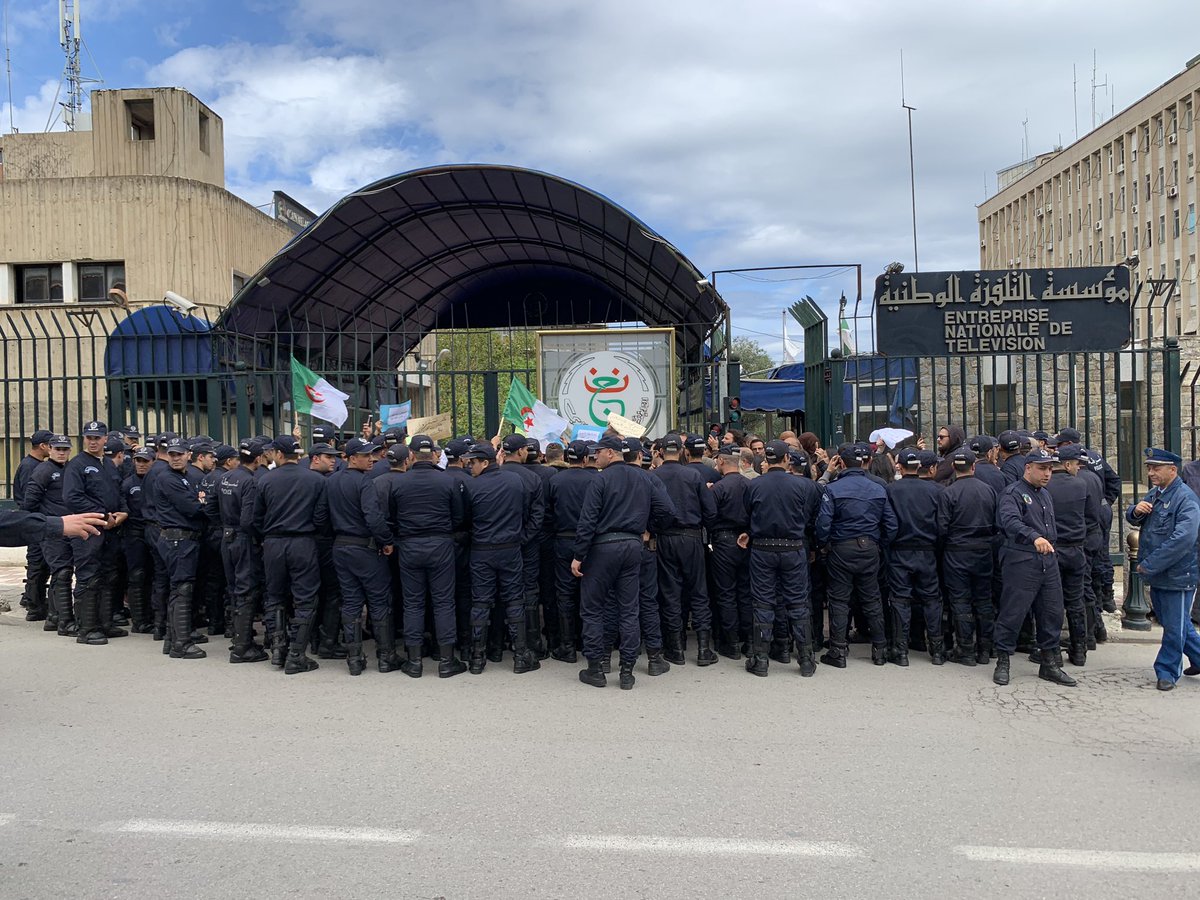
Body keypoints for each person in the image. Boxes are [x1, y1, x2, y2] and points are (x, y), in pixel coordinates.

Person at [572, 435, 677, 689]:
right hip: (633, 545)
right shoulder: (645, 477)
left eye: (599, 452)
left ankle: (596, 667)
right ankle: (627, 671)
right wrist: (649, 529)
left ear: (610, 453)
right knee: (630, 608)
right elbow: (667, 510)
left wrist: (578, 555)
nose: (595, 456)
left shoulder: (601, 479)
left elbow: (588, 520)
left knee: (594, 608)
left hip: (603, 546)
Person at [381, 434, 468, 678]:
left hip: (409, 545)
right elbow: (458, 517)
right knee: (443, 602)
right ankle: (447, 660)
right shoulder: (448, 481)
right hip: (440, 543)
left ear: (410, 454)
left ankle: (414, 660)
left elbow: (392, 516)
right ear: (433, 455)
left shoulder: (398, 483)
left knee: (413, 603)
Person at [314, 437, 402, 676]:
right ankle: (386, 656)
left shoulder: (331, 482)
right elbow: (373, 517)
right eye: (366, 455)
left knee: (351, 601)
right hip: (364, 547)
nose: (372, 459)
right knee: (378, 600)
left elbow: (321, 517)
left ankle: (354, 658)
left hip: (341, 546)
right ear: (353, 458)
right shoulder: (364, 482)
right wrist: (386, 541)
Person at [992, 448, 1076, 687]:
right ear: (1028, 468)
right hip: (1022, 558)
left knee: (1051, 611)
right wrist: (1033, 537)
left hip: (1047, 560)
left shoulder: (1045, 495)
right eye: (1042, 468)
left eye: (1050, 468)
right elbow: (1009, 521)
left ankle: (1048, 663)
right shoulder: (1013, 493)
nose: (1047, 473)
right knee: (1013, 611)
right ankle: (1003, 661)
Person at [738, 440, 822, 677]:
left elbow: (748, 512)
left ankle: (761, 659)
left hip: (763, 547)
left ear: (767, 459)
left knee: (763, 603)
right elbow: (809, 516)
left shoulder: (754, 485)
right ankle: (806, 659)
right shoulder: (802, 486)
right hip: (793, 546)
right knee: (797, 602)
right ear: (787, 459)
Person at [815, 442, 897, 667]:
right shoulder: (878, 488)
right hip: (869, 547)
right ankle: (880, 649)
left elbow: (823, 524)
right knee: (872, 598)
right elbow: (891, 525)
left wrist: (823, 545)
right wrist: (878, 544)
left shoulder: (833, 488)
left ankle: (838, 651)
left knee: (840, 599)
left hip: (841, 547)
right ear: (863, 462)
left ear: (841, 462)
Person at [250, 435, 327, 675]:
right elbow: (321, 517)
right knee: (305, 598)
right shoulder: (316, 480)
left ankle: (278, 649)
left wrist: (266, 536)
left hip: (273, 543)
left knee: (274, 596)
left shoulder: (265, 480)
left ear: (279, 454)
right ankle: (296, 653)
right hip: (303, 542)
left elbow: (256, 518)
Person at [1126, 448, 1200, 691]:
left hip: (1178, 575)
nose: (1150, 472)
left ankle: (1167, 671)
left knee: (1174, 627)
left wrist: (1150, 564)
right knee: (1176, 623)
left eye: (1156, 468)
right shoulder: (1158, 493)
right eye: (1149, 468)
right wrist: (1135, 511)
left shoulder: (1186, 499)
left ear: (1172, 469)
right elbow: (1138, 516)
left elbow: (1183, 539)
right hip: (1160, 574)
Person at [462, 442, 538, 674]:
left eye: (473, 462)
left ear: (485, 462)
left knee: (481, 601)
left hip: (482, 549)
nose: (469, 466)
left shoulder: (472, 486)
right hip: (510, 547)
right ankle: (520, 654)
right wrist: (521, 536)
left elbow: (465, 519)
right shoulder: (516, 481)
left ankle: (477, 656)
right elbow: (526, 511)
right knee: (514, 598)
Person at [651, 434, 719, 665]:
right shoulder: (693, 475)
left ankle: (676, 649)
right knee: (699, 592)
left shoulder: (654, 475)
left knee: (670, 593)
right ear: (682, 450)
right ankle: (702, 649)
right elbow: (710, 511)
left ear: (660, 451)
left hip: (665, 537)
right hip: (691, 536)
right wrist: (706, 532)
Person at [63, 421, 126, 645]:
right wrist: (103, 515)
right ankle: (87, 629)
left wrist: (122, 513)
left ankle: (105, 623)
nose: (93, 441)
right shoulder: (77, 465)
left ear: (105, 439)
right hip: (88, 529)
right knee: (88, 576)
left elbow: (119, 491)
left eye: (97, 437)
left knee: (108, 575)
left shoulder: (108, 465)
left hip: (110, 529)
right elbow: (73, 497)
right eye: (89, 437)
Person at [936, 448, 997, 667]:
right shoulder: (988, 490)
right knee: (983, 600)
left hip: (957, 551)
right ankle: (985, 649)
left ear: (953, 467)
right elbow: (997, 522)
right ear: (974, 466)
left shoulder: (948, 493)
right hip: (983, 550)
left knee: (960, 601)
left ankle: (966, 650)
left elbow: (942, 528)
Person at [1046, 444, 1104, 667]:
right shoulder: (1082, 484)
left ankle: (1052, 651)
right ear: (1068, 464)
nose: (1078, 468)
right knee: (1075, 599)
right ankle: (1079, 649)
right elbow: (1093, 516)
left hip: (1054, 548)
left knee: (1051, 602)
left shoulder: (1047, 485)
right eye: (1077, 465)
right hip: (1076, 548)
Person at [884, 448, 943, 666]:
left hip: (900, 549)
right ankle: (937, 649)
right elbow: (941, 524)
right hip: (926, 549)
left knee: (900, 599)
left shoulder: (891, 490)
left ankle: (901, 651)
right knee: (931, 599)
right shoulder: (935, 491)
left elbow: (888, 523)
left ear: (899, 465)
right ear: (919, 466)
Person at [153, 436, 209, 660]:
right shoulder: (169, 478)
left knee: (179, 588)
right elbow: (192, 507)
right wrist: (202, 502)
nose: (175, 458)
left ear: (188, 455)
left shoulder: (183, 477)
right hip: (177, 539)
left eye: (179, 454)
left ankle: (173, 638)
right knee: (181, 589)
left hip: (182, 539)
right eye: (171, 454)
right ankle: (181, 643)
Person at [545, 440, 598, 663]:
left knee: (564, 594)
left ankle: (566, 646)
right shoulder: (597, 479)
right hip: (591, 542)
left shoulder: (555, 480)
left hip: (563, 540)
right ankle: (588, 643)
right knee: (591, 593)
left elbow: (548, 513)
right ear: (586, 459)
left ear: (567, 458)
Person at [217, 438, 269, 664]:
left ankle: (238, 638)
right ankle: (242, 646)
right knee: (246, 590)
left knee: (235, 589)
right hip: (243, 538)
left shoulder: (225, 476)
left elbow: (211, 507)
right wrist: (259, 538)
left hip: (227, 536)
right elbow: (249, 519)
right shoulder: (250, 481)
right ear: (258, 458)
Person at [498, 434, 548, 659]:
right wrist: (525, 538)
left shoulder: (493, 476)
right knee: (528, 591)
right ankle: (531, 642)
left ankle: (499, 643)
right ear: (520, 452)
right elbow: (538, 516)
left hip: (498, 543)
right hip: (525, 543)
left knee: (499, 591)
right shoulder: (531, 478)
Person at [708, 445, 752, 659]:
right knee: (745, 592)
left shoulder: (718, 488)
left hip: (723, 540)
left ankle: (731, 642)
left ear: (722, 462)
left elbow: (709, 516)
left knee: (726, 592)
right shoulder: (750, 485)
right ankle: (749, 640)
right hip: (746, 540)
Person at [13, 429, 54, 621]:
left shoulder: (33, 464)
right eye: (51, 445)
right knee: (38, 563)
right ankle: (34, 604)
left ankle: (34, 599)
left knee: (40, 563)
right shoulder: (32, 466)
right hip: (35, 520)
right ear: (43, 446)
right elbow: (29, 498)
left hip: (36, 519)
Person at [119, 447, 156, 633]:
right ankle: (139, 620)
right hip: (134, 534)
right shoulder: (127, 484)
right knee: (137, 576)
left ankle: (150, 616)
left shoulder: (156, 481)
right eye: (138, 461)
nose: (141, 465)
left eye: (145, 461)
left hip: (152, 531)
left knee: (152, 575)